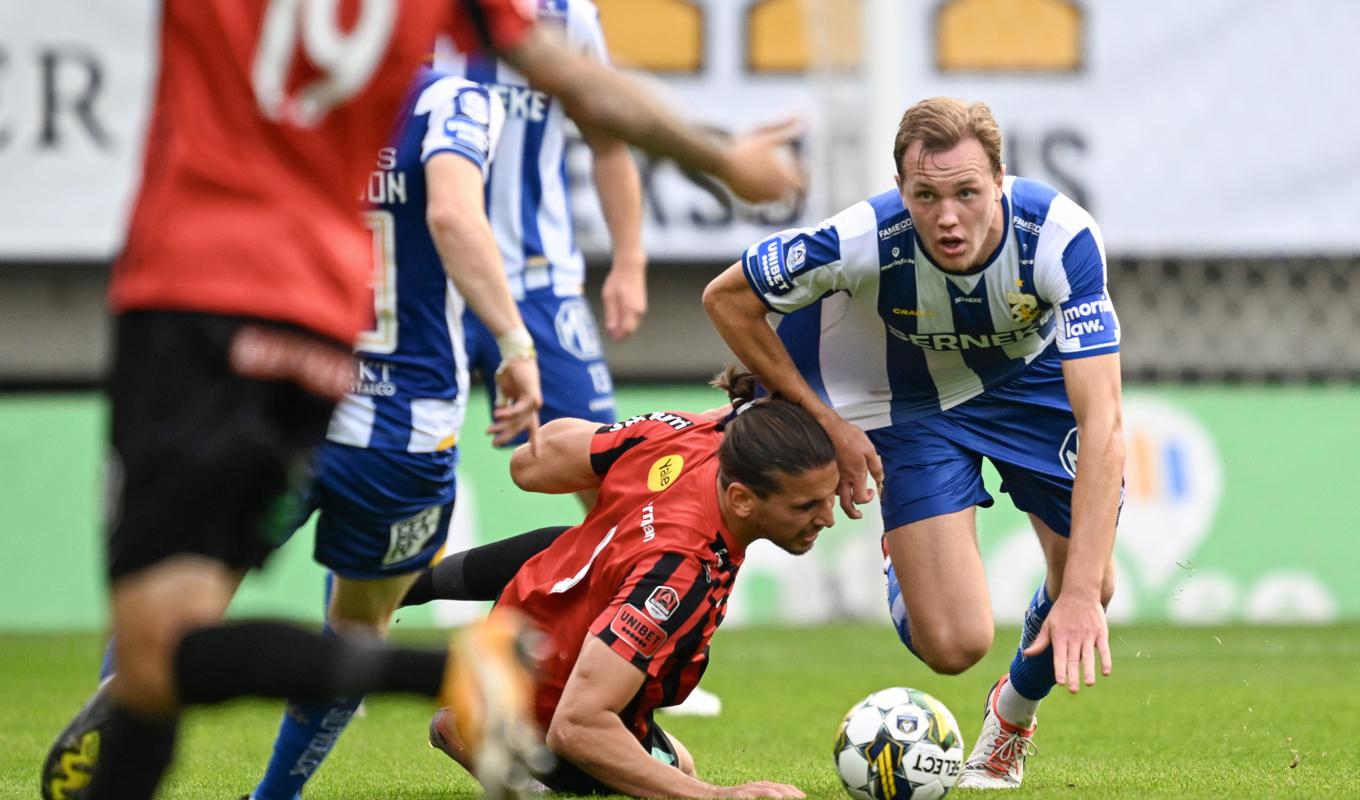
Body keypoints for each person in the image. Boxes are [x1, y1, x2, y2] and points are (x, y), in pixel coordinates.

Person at [40, 0, 809, 796]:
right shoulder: (453, 83)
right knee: (289, 626)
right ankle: (442, 671)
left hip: (192, 305)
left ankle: (463, 672)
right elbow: (587, 91)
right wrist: (720, 160)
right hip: (327, 345)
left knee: (159, 645)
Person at [702, 97, 1124, 789]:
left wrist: (1078, 593)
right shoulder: (865, 236)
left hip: (1028, 385)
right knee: (954, 645)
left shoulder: (1059, 237)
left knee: (1093, 578)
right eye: (926, 195)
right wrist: (830, 423)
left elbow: (1104, 422)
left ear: (1000, 180)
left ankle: (1010, 719)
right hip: (909, 403)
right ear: (902, 192)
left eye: (967, 192)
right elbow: (728, 298)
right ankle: (906, 543)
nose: (948, 216)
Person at [413, 366, 834, 798]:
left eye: (829, 495)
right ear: (741, 499)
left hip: (544, 590)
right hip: (545, 684)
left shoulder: (694, 432)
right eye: (806, 506)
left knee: (574, 544)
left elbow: (528, 466)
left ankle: (405, 583)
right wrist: (718, 796)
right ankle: (484, 726)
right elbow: (576, 727)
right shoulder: (680, 570)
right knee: (654, 773)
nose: (828, 517)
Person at [447, 0, 645, 513]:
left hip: (538, 282)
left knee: (608, 475)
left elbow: (609, 143)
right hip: (424, 283)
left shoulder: (568, 14)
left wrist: (629, 259)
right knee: (379, 480)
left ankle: (639, 591)